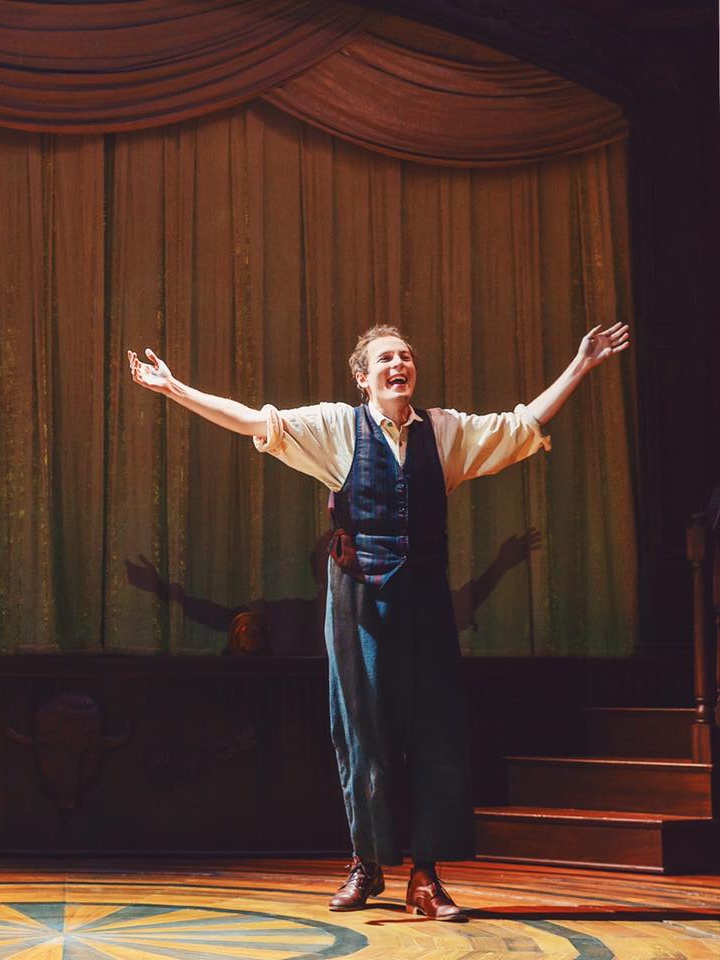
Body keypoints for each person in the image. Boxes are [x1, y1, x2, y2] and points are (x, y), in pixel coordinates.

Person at [128, 320, 629, 920]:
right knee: (363, 732)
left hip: (424, 599)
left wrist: (580, 365)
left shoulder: (443, 431)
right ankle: (366, 864)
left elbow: (519, 426)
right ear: (363, 378)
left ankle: (425, 876)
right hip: (359, 599)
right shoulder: (338, 428)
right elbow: (253, 421)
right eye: (387, 358)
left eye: (407, 356)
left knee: (434, 732)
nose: (400, 364)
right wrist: (175, 389)